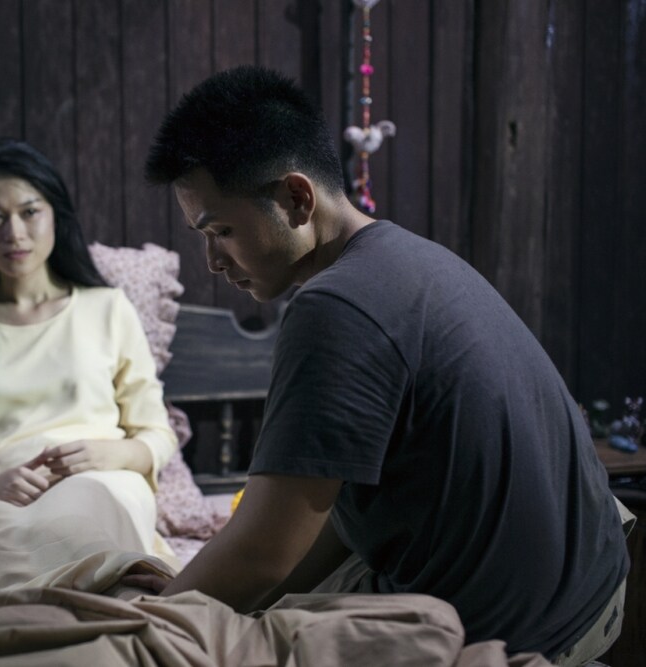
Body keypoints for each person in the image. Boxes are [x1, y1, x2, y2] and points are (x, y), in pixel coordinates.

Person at [131, 65, 634, 664]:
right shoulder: (413, 258)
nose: (213, 260)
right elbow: (319, 524)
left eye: (221, 230)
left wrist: (148, 626)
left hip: (527, 631)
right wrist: (198, 597)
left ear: (296, 198)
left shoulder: (336, 305)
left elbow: (264, 551)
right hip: (598, 588)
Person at [0, 138, 180, 606]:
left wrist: (111, 454)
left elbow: (157, 433)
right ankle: (80, 611)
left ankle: (48, 615)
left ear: (55, 215)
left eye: (29, 212)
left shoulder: (108, 309)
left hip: (98, 480)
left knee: (82, 518)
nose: (14, 233)